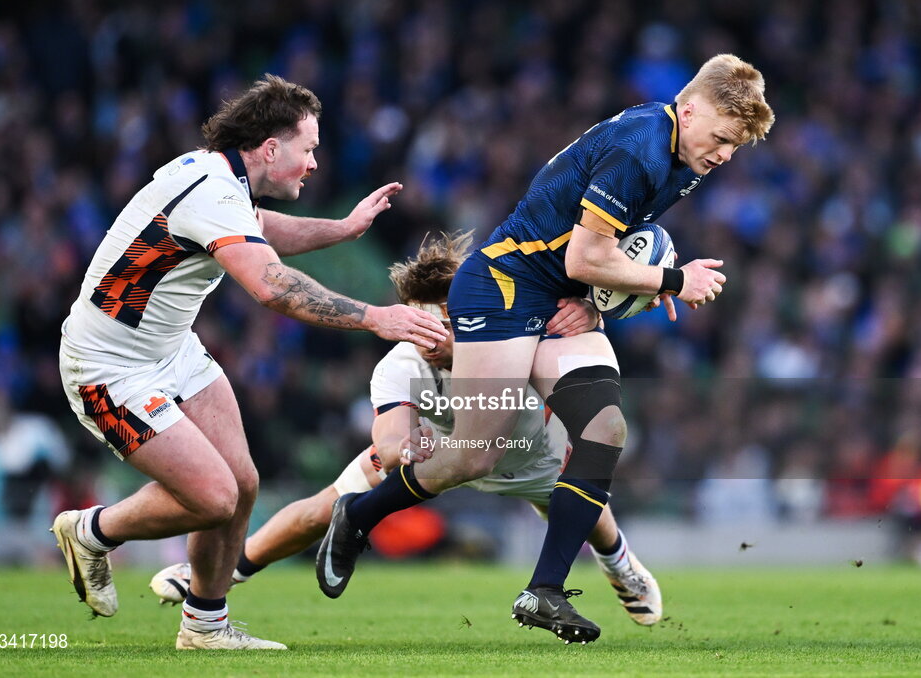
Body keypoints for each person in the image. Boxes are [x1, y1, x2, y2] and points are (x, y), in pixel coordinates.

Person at [317, 54, 774, 644]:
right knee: (473, 457)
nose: (724, 156)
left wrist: (596, 298)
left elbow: (599, 253)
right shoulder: (640, 149)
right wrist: (672, 281)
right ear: (688, 110)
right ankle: (358, 514)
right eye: (721, 139)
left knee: (605, 427)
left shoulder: (684, 154)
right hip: (505, 288)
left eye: (736, 146)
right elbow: (587, 255)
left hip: (558, 295)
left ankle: (545, 590)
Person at [53, 74, 448, 650]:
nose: (314, 162)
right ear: (271, 148)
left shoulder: (220, 183)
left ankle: (205, 627)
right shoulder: (213, 192)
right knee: (213, 497)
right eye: (308, 148)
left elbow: (262, 231)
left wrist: (340, 229)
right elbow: (270, 285)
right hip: (107, 367)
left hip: (171, 351)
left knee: (242, 483)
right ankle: (90, 531)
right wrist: (374, 317)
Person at [148, 232, 662, 631]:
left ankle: (621, 565)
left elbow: (593, 293)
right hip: (439, 457)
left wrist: (599, 305)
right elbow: (391, 434)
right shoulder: (398, 366)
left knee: (589, 515)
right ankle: (217, 578)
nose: (429, 339)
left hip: (529, 457)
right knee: (323, 507)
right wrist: (402, 449)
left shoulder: (520, 332)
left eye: (445, 326)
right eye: (419, 328)